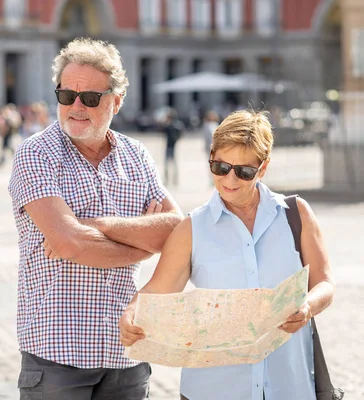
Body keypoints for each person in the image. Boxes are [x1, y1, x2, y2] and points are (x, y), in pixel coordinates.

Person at [8, 37, 183, 400]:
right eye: (66, 95)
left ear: (116, 101)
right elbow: (69, 242)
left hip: (127, 351)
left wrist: (99, 226)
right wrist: (143, 243)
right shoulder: (35, 154)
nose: (76, 106)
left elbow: (177, 232)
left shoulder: (137, 156)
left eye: (90, 98)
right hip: (57, 353)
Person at [119, 109, 336, 400]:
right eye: (220, 167)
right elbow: (157, 290)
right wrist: (133, 312)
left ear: (264, 168)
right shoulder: (191, 228)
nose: (229, 180)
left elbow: (324, 283)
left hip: (289, 387)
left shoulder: (296, 215)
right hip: (212, 390)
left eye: (244, 172)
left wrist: (307, 307)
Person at [162, 108, 184, 186]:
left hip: (169, 147)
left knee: (168, 165)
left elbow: (162, 131)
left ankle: (168, 179)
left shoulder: (169, 126)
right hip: (174, 147)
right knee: (174, 165)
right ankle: (175, 180)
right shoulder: (178, 125)